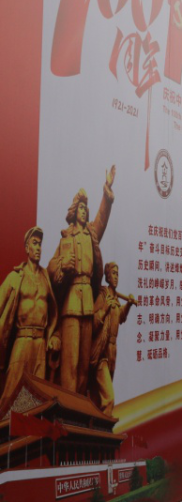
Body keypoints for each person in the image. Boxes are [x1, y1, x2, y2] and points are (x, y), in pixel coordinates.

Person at [48, 166, 116, 394]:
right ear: (74, 211)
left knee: (84, 365)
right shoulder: (66, 238)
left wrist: (107, 191)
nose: (85, 212)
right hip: (71, 304)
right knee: (70, 362)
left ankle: (80, 406)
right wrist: (62, 265)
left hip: (87, 302)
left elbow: (101, 219)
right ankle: (68, 406)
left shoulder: (91, 234)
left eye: (86, 209)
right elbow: (51, 268)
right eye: (81, 208)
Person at [0, 227, 58, 415]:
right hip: (22, 341)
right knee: (11, 393)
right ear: (27, 248)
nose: (38, 248)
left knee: (37, 395)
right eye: (34, 243)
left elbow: (53, 313)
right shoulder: (15, 277)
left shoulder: (45, 277)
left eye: (40, 244)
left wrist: (53, 336)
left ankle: (29, 431)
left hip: (40, 344)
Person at [90, 262, 135, 415]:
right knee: (108, 399)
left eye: (117, 274)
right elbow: (92, 322)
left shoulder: (115, 298)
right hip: (101, 352)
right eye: (113, 274)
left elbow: (120, 317)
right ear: (107, 276)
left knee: (101, 397)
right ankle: (104, 426)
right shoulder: (103, 296)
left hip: (112, 352)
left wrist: (128, 305)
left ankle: (98, 423)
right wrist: (104, 309)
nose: (116, 277)